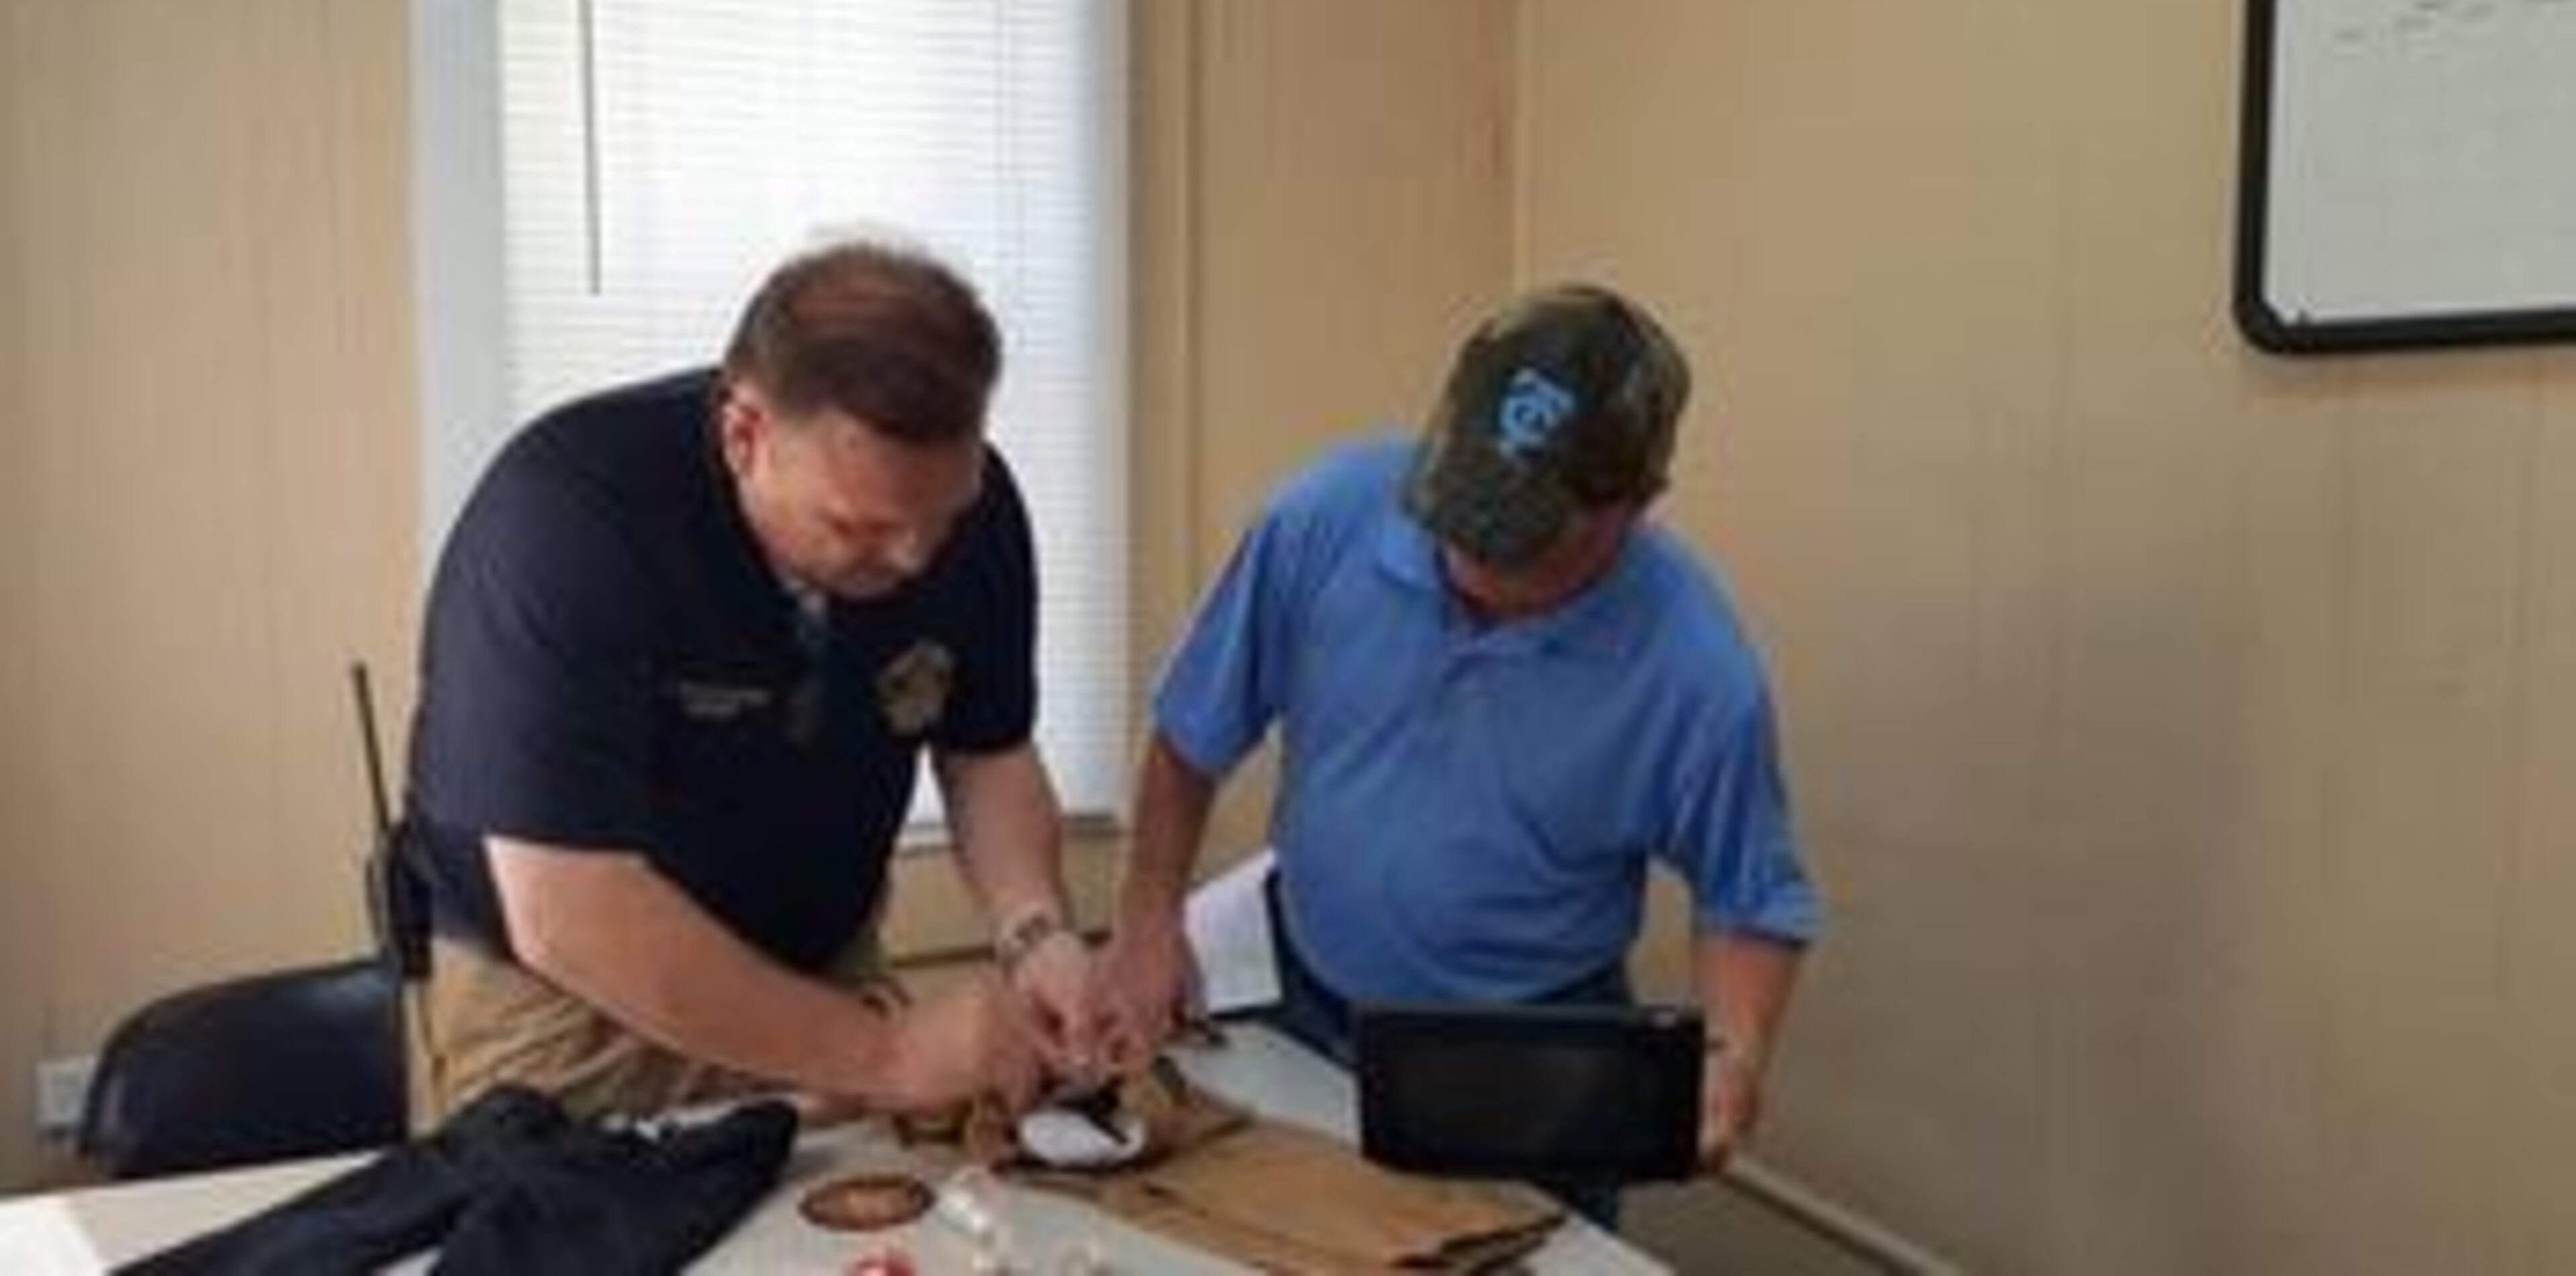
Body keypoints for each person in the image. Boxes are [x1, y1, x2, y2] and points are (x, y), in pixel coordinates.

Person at [1096, 283, 1818, 1220]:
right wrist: (1145, 922)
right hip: (1305, 991)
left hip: (1535, 1051)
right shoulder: (1323, 518)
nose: (1474, 560)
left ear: (1635, 506)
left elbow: (1751, 898)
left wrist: (1732, 1058)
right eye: (1463, 510)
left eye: (1523, 541)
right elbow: (1191, 734)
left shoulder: (1695, 669)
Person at [401, 237, 1097, 1129]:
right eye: (859, 527)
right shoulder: (568, 515)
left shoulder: (971, 506)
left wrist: (1037, 935)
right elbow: (566, 909)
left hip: (822, 965)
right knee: (588, 1207)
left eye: (942, 517)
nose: (915, 559)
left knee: (867, 1211)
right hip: (574, 1002)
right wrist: (888, 1054)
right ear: (744, 435)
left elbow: (986, 753)